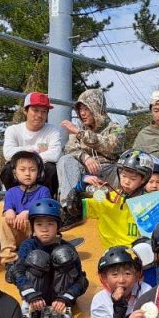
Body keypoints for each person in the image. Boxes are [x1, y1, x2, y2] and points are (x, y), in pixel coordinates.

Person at [13, 199, 88, 318]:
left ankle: (63, 307)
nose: (44, 229)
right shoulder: (28, 245)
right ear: (32, 226)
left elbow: (81, 280)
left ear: (58, 226)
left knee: (63, 255)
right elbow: (17, 272)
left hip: (60, 297)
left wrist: (66, 298)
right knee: (37, 257)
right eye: (39, 224)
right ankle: (30, 304)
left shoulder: (68, 247)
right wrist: (30, 294)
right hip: (35, 294)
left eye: (50, 224)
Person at [56, 88, 124, 226]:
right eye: (80, 109)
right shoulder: (79, 129)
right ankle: (69, 208)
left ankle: (124, 206)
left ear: (96, 107)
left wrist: (81, 133)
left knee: (123, 168)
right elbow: (70, 148)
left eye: (86, 108)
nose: (82, 113)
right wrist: (85, 157)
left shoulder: (116, 128)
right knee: (65, 160)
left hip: (108, 173)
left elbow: (111, 145)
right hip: (85, 175)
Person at [0, 151, 51, 282]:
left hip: (35, 232)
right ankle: (10, 262)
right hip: (17, 233)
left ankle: (36, 254)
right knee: (2, 222)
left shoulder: (43, 191)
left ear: (39, 173)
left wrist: (28, 212)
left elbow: (46, 210)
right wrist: (9, 212)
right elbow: (7, 209)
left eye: (32, 170)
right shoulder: (11, 192)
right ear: (15, 173)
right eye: (22, 169)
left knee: (42, 221)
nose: (27, 173)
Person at [82, 149, 153, 250]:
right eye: (123, 176)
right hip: (111, 254)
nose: (126, 181)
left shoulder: (151, 203)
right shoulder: (106, 196)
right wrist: (79, 188)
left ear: (144, 180)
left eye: (133, 179)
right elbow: (77, 208)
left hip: (138, 253)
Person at [0, 91, 62, 195]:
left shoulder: (53, 130)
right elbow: (8, 154)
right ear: (25, 111)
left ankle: (46, 202)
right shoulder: (13, 130)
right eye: (35, 110)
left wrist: (26, 159)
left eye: (44, 111)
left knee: (51, 168)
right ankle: (16, 201)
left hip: (41, 170)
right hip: (21, 170)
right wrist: (35, 149)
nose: (39, 115)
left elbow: (55, 155)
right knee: (7, 170)